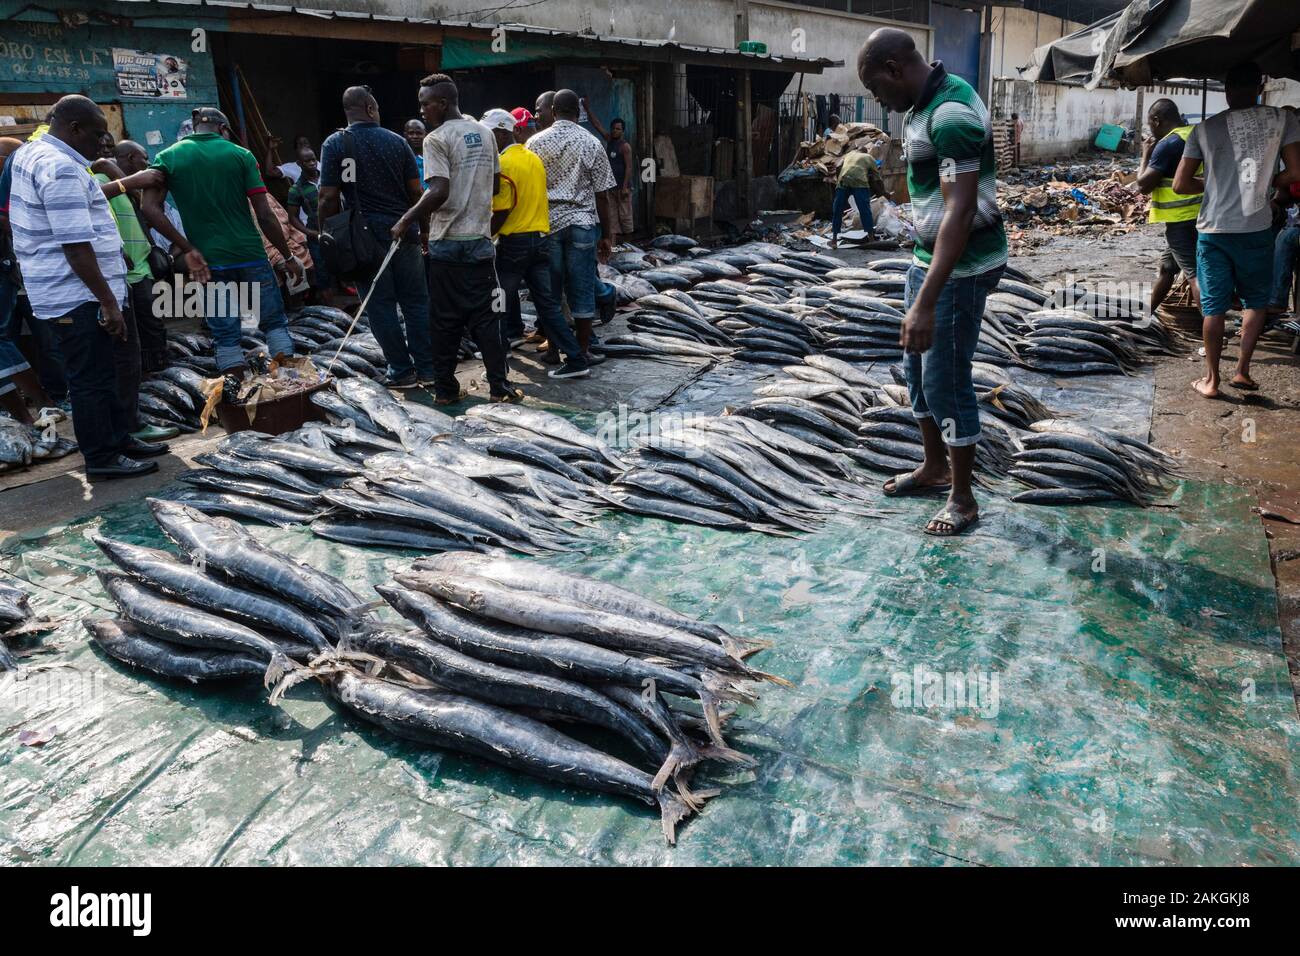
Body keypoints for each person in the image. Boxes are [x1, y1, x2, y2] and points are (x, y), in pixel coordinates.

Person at [858, 28, 1007, 536]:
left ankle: (963, 498)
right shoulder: (922, 105)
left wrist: (925, 301)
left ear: (896, 68)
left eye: (877, 88)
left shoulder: (950, 115)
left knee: (946, 381)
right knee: (915, 371)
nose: (879, 100)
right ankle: (934, 466)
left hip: (961, 269)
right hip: (931, 258)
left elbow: (960, 211)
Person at [9, 96, 164, 479]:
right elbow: (75, 247)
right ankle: (101, 458)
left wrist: (115, 257)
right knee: (91, 378)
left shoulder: (40, 154)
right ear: (74, 128)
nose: (102, 144)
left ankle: (120, 438)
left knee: (109, 370)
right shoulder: (58, 166)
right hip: (78, 295)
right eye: (97, 135)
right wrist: (108, 301)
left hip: (81, 288)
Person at [142, 107, 302, 386]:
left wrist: (187, 247)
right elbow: (264, 215)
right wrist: (287, 255)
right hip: (250, 255)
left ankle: (237, 392)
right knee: (273, 322)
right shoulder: (240, 155)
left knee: (225, 332)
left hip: (208, 263)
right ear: (223, 129)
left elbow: (149, 209)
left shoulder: (169, 157)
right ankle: (289, 384)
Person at [1174, 61, 1300, 397]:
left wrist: (1215, 182)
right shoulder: (1283, 119)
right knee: (1255, 303)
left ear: (1227, 89)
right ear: (1259, 87)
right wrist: (1266, 181)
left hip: (1214, 230)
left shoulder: (1204, 129)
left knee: (1213, 307)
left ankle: (1212, 381)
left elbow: (1180, 185)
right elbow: (1296, 172)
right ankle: (1242, 371)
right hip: (1256, 227)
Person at [392, 74, 519, 405]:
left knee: (445, 321)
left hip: (447, 243)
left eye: (425, 103)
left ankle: (446, 390)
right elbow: (493, 186)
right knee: (488, 318)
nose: (422, 110)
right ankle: (498, 386)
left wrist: (407, 218)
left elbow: (438, 189)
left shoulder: (436, 140)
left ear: (443, 103)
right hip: (479, 241)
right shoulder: (486, 134)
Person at [319, 87, 433, 389]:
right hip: (404, 231)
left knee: (380, 305)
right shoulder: (397, 143)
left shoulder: (335, 144)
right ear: (370, 108)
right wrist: (424, 232)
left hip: (362, 240)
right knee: (416, 302)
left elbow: (328, 197)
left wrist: (325, 234)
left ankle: (401, 370)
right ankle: (428, 368)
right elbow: (415, 193)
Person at [483, 108, 588, 379]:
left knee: (499, 303)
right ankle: (577, 359)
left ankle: (499, 363)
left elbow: (503, 210)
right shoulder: (533, 158)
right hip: (540, 240)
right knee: (548, 305)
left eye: (489, 133)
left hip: (514, 243)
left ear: (502, 133)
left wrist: (485, 235)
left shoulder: (503, 164)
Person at [89, 139, 176, 445]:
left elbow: (145, 211)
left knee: (150, 331)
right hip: (126, 274)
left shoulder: (120, 182)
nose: (146, 164)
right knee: (129, 346)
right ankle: (133, 416)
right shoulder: (100, 180)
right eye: (142, 159)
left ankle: (152, 389)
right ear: (128, 158)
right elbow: (95, 204)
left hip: (141, 269)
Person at [526, 89, 618, 372]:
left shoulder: (534, 143)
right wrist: (606, 234)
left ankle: (554, 350)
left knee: (551, 292)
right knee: (581, 290)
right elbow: (602, 194)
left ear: (553, 111)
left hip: (548, 225)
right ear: (577, 113)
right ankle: (582, 350)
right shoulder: (591, 143)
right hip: (582, 224)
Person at [1135, 98, 1202, 321]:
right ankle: (1145, 317)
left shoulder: (1168, 144)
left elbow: (1143, 185)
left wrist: (1145, 153)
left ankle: (1213, 332)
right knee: (1167, 268)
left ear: (1157, 120)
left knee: (1194, 275)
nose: (1150, 129)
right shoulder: (1193, 133)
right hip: (1200, 214)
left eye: (1150, 124)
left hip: (1180, 220)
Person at [286, 147, 332, 305]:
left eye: (314, 159)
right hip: (317, 235)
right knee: (323, 274)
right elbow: (292, 218)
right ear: (299, 163)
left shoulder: (328, 178)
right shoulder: (296, 189)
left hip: (337, 228)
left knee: (344, 268)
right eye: (307, 161)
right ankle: (332, 311)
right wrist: (310, 233)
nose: (312, 163)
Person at [585, 101, 634, 243]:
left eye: (618, 129)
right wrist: (587, 109)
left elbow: (629, 167)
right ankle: (612, 248)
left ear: (622, 131)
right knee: (612, 220)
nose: (614, 131)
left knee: (626, 219)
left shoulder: (625, 147)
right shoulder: (609, 140)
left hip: (623, 189)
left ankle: (631, 248)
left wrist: (625, 187)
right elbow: (597, 125)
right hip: (611, 188)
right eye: (613, 128)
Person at [830, 145, 877, 249]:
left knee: (838, 210)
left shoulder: (848, 154)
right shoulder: (868, 157)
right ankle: (871, 239)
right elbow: (877, 177)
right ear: (865, 152)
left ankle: (834, 240)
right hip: (860, 182)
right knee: (865, 210)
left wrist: (838, 181)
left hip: (843, 181)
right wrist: (882, 192)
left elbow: (838, 167)